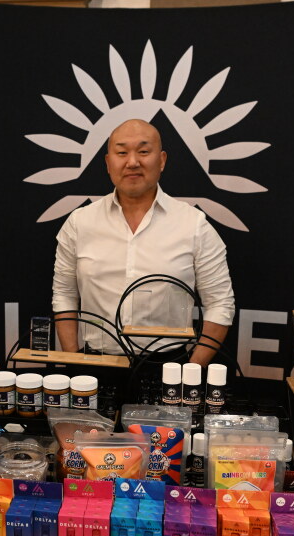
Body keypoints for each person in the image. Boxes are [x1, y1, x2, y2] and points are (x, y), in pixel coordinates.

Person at [52, 119, 235, 367]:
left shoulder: (194, 225)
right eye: (122, 153)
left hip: (169, 366)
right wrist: (74, 363)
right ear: (108, 163)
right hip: (93, 364)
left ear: (162, 160)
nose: (132, 162)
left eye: (143, 151)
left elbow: (220, 304)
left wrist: (191, 371)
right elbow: (64, 295)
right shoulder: (80, 222)